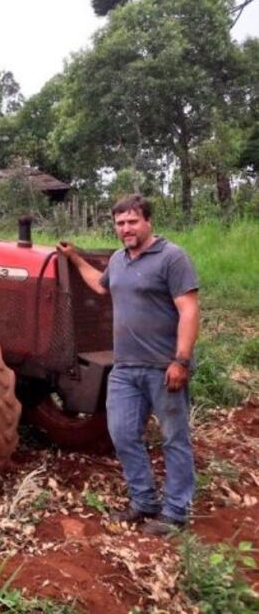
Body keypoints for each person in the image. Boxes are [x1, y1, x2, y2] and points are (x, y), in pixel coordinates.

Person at [58, 194, 200, 536]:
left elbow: (189, 310)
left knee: (174, 439)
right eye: (120, 223)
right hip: (125, 368)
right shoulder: (119, 260)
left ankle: (176, 512)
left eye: (132, 221)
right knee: (122, 433)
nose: (126, 228)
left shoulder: (172, 257)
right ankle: (144, 501)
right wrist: (76, 258)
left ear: (148, 221)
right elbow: (101, 285)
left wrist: (180, 360)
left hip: (163, 367)